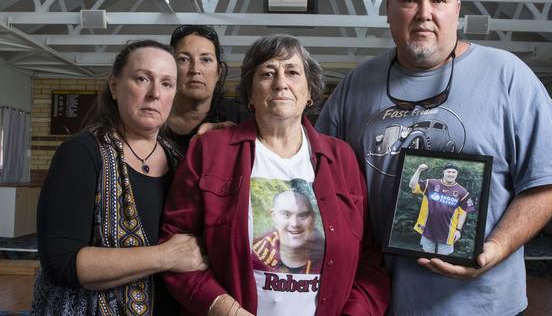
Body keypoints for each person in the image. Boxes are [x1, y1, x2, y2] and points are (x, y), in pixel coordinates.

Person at [316, 0, 552, 315]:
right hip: (378, 300)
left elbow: (547, 181)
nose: (424, 13)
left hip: (482, 304)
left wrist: (495, 248)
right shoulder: (355, 85)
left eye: (438, 0)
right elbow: (309, 168)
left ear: (456, 9)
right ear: (388, 9)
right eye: (409, 0)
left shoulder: (509, 76)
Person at [160, 34, 390, 316]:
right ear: (250, 94)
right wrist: (227, 311)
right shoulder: (211, 151)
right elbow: (175, 245)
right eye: (268, 73)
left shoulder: (341, 158)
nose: (281, 83)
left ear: (309, 93)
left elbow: (369, 259)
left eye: (292, 72)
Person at [33, 40, 208, 315]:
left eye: (166, 83)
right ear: (114, 86)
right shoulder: (81, 153)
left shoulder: (182, 160)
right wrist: (165, 256)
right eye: (142, 79)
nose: (154, 94)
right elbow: (61, 263)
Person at [165, 24, 247, 150]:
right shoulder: (153, 115)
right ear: (170, 68)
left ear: (218, 72)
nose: (195, 70)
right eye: (184, 59)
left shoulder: (241, 118)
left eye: (206, 60)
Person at [252, 189, 325, 274]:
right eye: (286, 214)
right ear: (274, 216)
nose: (295, 224)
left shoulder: (329, 255)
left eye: (303, 215)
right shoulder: (253, 255)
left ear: (313, 218)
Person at [409, 163, 474, 255]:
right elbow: (412, 185)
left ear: (457, 174)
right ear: (444, 172)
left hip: (448, 233)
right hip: (427, 229)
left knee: (442, 261)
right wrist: (419, 170)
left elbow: (463, 213)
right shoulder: (430, 183)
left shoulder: (462, 191)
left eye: (453, 172)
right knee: (426, 257)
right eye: (448, 171)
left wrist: (458, 230)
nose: (451, 174)